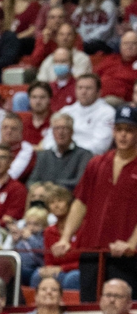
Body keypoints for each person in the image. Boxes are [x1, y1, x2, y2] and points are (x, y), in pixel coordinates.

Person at [54, 107, 137, 300]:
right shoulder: (96, 163)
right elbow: (81, 202)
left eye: (129, 130)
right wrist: (66, 237)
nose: (123, 135)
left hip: (127, 256)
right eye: (119, 129)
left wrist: (131, 244)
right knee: (88, 306)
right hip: (92, 251)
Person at [28, 113, 91, 191]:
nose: (60, 132)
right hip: (44, 197)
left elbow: (80, 182)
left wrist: (51, 185)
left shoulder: (84, 155)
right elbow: (31, 181)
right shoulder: (43, 155)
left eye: (64, 128)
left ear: (71, 131)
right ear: (52, 132)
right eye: (56, 128)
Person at [57, 76, 116, 156]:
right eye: (80, 88)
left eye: (88, 88)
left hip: (89, 158)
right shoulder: (66, 111)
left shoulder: (107, 112)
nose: (83, 92)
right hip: (62, 155)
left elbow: (100, 146)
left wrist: (72, 154)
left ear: (99, 92)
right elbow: (50, 137)